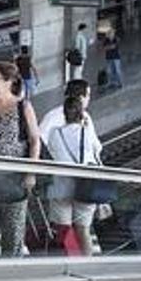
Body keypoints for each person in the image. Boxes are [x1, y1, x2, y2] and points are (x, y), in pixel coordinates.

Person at [0, 62, 41, 257]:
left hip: (14, 179)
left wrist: (31, 173)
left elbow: (35, 140)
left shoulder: (22, 106)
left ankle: (11, 275)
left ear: (9, 82)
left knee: (12, 234)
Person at [48, 94, 103, 256]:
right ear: (82, 113)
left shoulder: (54, 133)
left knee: (64, 229)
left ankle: (69, 263)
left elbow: (53, 152)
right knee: (83, 229)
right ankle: (86, 264)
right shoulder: (87, 132)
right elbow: (97, 151)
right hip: (86, 184)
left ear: (64, 114)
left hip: (62, 185)